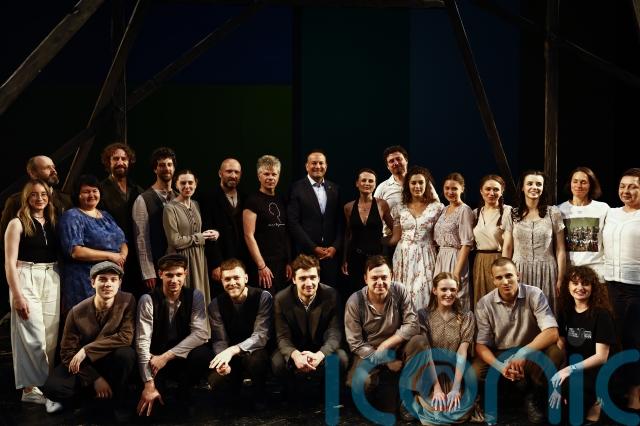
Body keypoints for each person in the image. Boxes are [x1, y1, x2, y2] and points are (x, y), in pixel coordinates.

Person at [41, 261, 137, 420]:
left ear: (119, 283)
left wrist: (86, 349)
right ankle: (95, 396)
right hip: (86, 365)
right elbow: (67, 352)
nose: (108, 284)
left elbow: (126, 337)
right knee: (52, 387)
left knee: (126, 354)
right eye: (102, 279)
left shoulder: (127, 301)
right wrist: (95, 378)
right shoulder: (77, 311)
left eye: (113, 279)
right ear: (93, 282)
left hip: (111, 359)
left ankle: (115, 399)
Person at [473, 257, 564, 424]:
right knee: (475, 372)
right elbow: (481, 345)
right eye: (499, 277)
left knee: (555, 353)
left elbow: (552, 332)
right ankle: (492, 403)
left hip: (531, 350)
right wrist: (500, 366)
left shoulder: (534, 294)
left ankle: (533, 397)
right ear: (493, 280)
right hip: (501, 352)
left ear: (518, 275)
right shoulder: (484, 303)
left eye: (509, 275)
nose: (505, 281)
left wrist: (523, 352)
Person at [344, 255, 429, 421]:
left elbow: (413, 324)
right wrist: (385, 360)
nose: (380, 282)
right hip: (369, 352)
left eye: (384, 277)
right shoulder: (355, 301)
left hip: (397, 346)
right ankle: (379, 395)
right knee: (360, 384)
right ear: (365, 279)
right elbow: (356, 344)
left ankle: (408, 398)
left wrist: (387, 344)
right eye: (374, 278)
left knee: (419, 341)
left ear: (392, 276)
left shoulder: (399, 290)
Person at [4, 179, 61, 406]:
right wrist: (17, 295)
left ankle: (44, 387)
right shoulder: (17, 223)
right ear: (26, 197)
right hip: (26, 275)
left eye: (43, 194)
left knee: (50, 337)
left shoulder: (53, 221)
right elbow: (9, 263)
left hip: (52, 275)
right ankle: (29, 389)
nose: (39, 198)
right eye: (34, 194)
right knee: (32, 335)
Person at [135, 253, 212, 417]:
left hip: (180, 357)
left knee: (203, 354)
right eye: (169, 275)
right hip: (154, 361)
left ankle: (185, 391)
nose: (174, 280)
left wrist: (167, 356)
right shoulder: (148, 300)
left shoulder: (195, 296)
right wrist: (149, 384)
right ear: (160, 274)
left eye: (178, 275)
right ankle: (158, 388)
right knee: (153, 413)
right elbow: (142, 343)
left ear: (185, 274)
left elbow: (201, 333)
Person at [1, 156, 72, 313]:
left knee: (52, 325)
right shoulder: (15, 201)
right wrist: (16, 289)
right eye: (47, 168)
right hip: (25, 274)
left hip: (57, 274)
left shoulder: (66, 201)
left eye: (53, 166)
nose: (53, 170)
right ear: (33, 173)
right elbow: (4, 243)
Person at [271, 254, 348, 397]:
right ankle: (292, 394)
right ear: (294, 279)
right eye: (302, 278)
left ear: (318, 278)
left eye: (312, 277)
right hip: (295, 348)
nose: (308, 283)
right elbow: (282, 337)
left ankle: (325, 393)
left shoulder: (331, 295)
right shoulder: (281, 299)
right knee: (277, 362)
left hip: (320, 349)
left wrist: (320, 355)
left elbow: (334, 332)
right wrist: (295, 355)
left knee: (341, 358)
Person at [548, 265, 615, 424]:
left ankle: (597, 402)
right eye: (575, 283)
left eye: (585, 283)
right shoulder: (565, 311)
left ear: (593, 287)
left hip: (596, 371)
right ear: (568, 286)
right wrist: (559, 372)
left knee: (574, 405)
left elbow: (601, 357)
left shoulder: (601, 314)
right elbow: (561, 344)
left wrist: (567, 370)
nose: (580, 288)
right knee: (556, 413)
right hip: (573, 369)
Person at [208, 258, 272, 410]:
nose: (232, 283)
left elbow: (261, 336)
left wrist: (233, 350)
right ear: (222, 281)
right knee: (216, 380)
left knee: (256, 361)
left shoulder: (263, 297)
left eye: (236, 278)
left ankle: (260, 395)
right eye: (227, 279)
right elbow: (219, 339)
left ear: (246, 278)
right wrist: (223, 361)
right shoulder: (215, 304)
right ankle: (233, 394)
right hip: (231, 355)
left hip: (255, 351)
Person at [59, 174, 127, 310]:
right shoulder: (72, 216)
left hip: (111, 278)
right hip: (84, 281)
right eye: (86, 192)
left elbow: (123, 241)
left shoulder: (106, 215)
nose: (91, 195)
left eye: (95, 191)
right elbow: (76, 251)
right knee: (87, 319)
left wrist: (122, 257)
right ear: (77, 195)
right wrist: (111, 256)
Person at [603, 167, 640, 411]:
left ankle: (635, 394)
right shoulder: (612, 213)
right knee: (614, 339)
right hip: (610, 285)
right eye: (622, 186)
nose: (626, 191)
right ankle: (616, 389)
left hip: (635, 287)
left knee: (634, 340)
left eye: (633, 187)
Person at [416, 272, 475, 424]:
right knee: (435, 413)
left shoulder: (467, 316)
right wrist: (436, 388)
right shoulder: (423, 315)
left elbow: (462, 352)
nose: (449, 294)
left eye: (453, 290)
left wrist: (456, 388)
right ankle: (416, 398)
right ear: (434, 290)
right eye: (444, 289)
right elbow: (426, 352)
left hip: (455, 371)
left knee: (457, 413)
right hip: (431, 369)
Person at [503, 170, 566, 311]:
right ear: (522, 187)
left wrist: (561, 278)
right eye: (530, 183)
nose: (534, 187)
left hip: (547, 271)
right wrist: (504, 275)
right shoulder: (512, 214)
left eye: (538, 184)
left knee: (546, 312)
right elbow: (507, 248)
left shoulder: (553, 212)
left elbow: (560, 249)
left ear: (543, 188)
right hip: (519, 270)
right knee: (520, 312)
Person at [387, 166, 444, 309]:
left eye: (420, 182)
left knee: (424, 294)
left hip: (426, 255)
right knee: (403, 294)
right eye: (413, 183)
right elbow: (395, 237)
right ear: (408, 185)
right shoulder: (399, 208)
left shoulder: (437, 208)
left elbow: (440, 236)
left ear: (426, 184)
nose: (417, 186)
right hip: (403, 255)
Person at [163, 170, 218, 306]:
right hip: (181, 260)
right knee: (186, 301)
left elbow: (200, 231)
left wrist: (213, 234)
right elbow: (174, 241)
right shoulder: (170, 208)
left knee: (201, 298)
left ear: (195, 184)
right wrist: (200, 237)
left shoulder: (196, 204)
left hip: (199, 258)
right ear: (176, 185)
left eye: (190, 182)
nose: (187, 186)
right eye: (183, 183)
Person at [288, 149, 342, 287]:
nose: (318, 166)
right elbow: (293, 223)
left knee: (330, 293)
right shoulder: (296, 188)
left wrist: (335, 247)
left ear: (326, 166)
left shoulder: (334, 188)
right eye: (314, 163)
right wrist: (313, 248)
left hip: (330, 256)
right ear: (307, 166)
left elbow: (340, 222)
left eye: (321, 163)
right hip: (306, 255)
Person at [98, 142, 144, 298]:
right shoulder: (100, 190)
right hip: (113, 253)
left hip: (137, 254)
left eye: (124, 159)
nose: (120, 162)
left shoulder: (137, 190)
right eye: (115, 159)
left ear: (129, 161)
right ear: (108, 162)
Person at [243, 155, 291, 295]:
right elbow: (248, 235)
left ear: (278, 176)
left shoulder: (282, 199)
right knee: (266, 301)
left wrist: (288, 261)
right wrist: (261, 266)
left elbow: (285, 233)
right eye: (266, 174)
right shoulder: (252, 200)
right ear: (259, 176)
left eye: (274, 174)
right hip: (263, 264)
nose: (270, 178)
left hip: (282, 264)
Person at [342, 168, 393, 295]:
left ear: (375, 184)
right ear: (357, 183)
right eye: (363, 180)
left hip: (377, 257)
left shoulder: (382, 204)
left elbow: (394, 229)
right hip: (355, 258)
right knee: (356, 292)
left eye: (371, 181)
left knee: (376, 292)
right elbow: (347, 235)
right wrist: (344, 259)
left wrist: (383, 241)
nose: (367, 183)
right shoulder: (348, 207)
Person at [201, 158, 249, 295]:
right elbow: (207, 232)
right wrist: (216, 264)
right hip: (221, 261)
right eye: (229, 171)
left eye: (236, 172)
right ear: (220, 173)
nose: (233, 175)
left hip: (243, 260)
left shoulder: (246, 197)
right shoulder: (208, 198)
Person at [132, 147, 177, 291]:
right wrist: (148, 271)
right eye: (162, 165)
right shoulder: (143, 199)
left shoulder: (179, 197)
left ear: (174, 168)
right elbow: (141, 239)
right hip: (157, 267)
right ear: (155, 169)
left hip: (178, 266)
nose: (166, 168)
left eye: (169, 165)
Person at [373, 146, 439, 244]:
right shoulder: (382, 188)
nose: (396, 163)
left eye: (398, 159)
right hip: (392, 240)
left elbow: (436, 207)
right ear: (388, 166)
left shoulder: (423, 183)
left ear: (406, 160)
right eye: (391, 161)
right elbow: (374, 215)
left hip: (421, 241)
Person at [557, 166, 609, 280]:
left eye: (583, 182)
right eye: (575, 181)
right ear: (570, 183)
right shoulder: (559, 210)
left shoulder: (603, 208)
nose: (578, 185)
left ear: (591, 185)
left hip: (596, 273)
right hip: (570, 273)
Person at [433, 172, 474, 311]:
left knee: (455, 297)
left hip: (456, 258)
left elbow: (466, 243)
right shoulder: (444, 210)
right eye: (447, 188)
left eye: (454, 188)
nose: (450, 192)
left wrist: (456, 272)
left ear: (462, 189)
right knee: (441, 298)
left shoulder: (464, 210)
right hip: (441, 258)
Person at [472, 174, 512, 308]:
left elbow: (508, 245)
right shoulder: (475, 213)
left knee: (499, 300)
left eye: (496, 189)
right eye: (488, 189)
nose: (491, 193)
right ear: (481, 191)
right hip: (480, 261)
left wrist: (504, 268)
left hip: (498, 259)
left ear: (502, 191)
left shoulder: (508, 212)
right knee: (481, 300)